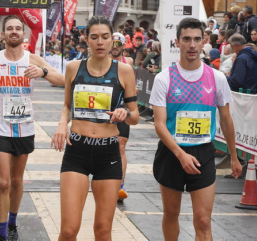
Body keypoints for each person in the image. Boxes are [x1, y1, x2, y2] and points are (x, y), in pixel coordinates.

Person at [149, 17, 242, 240]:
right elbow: (160, 125)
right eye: (187, 39)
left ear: (203, 43)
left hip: (203, 152)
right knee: (171, 214)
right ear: (177, 42)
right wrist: (180, 154)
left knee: (202, 219)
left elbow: (227, 119)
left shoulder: (217, 78)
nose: (192, 45)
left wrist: (234, 156)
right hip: (172, 153)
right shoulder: (164, 79)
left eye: (197, 39)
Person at [0, 15, 64, 241]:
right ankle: (2, 233)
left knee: (16, 181)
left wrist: (43, 72)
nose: (14, 32)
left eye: (18, 29)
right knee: (3, 182)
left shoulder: (33, 59)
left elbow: (62, 80)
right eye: (9, 29)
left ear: (24, 34)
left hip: (25, 128)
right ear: (2, 35)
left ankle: (12, 222)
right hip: (0, 127)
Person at [51, 16, 139, 240]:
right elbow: (67, 106)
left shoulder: (124, 71)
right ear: (86, 40)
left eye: (105, 37)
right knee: (69, 230)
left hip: (108, 153)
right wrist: (63, 124)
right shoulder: (73, 68)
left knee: (102, 230)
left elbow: (136, 116)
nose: (100, 42)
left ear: (112, 41)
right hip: (77, 150)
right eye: (94, 37)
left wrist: (124, 113)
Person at [110, 32, 134, 202]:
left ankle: (120, 186)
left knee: (121, 146)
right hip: (106, 108)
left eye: (119, 44)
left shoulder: (129, 63)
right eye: (113, 43)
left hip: (123, 107)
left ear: (124, 46)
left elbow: (132, 87)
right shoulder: (103, 61)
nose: (116, 47)